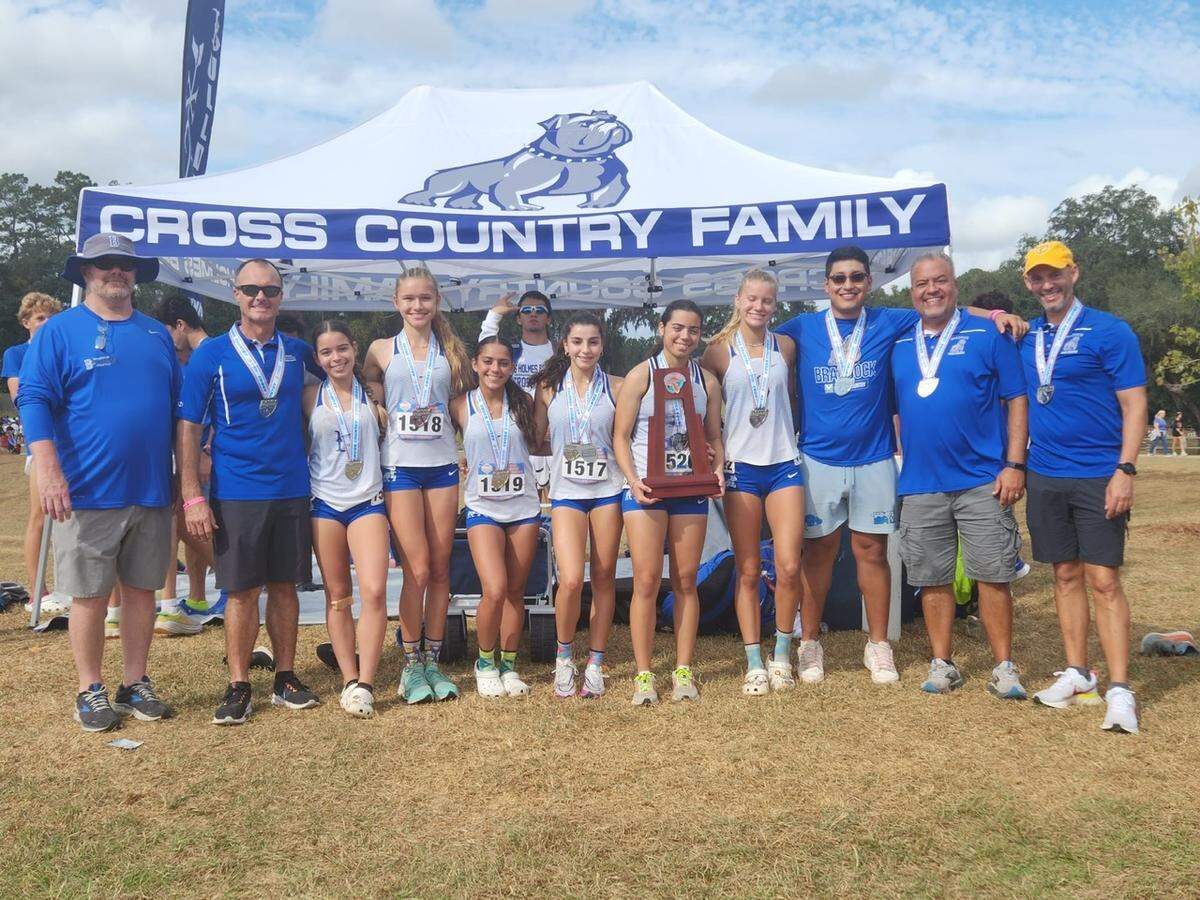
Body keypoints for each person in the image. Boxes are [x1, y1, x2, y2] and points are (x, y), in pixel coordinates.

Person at [775, 245, 1025, 686]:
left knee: (872, 553)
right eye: (839, 279)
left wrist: (995, 313)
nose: (848, 285)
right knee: (817, 554)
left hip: (874, 457)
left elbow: (942, 307)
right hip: (818, 458)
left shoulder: (894, 321)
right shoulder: (802, 327)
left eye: (856, 277)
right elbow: (754, 341)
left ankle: (879, 645)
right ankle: (810, 643)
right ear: (826, 285)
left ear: (869, 283)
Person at [19, 233, 179, 732]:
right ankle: (90, 688)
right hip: (87, 490)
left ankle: (135, 682)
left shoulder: (155, 334)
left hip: (151, 487)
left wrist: (185, 474)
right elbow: (33, 399)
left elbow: (177, 412)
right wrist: (48, 469)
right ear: (85, 272)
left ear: (136, 275)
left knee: (140, 591)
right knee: (89, 595)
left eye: (125, 265)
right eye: (105, 264)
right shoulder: (59, 331)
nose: (117, 272)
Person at [179, 258, 321, 726]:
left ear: (281, 297)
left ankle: (285, 676)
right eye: (250, 289)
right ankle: (239, 682)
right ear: (235, 295)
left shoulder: (299, 351)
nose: (261, 297)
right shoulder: (212, 353)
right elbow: (190, 425)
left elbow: (340, 390)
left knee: (285, 586)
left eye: (270, 290)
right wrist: (193, 495)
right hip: (237, 489)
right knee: (241, 590)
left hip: (292, 486)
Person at [1018, 241, 1147, 734]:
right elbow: (961, 306)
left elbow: (1135, 404)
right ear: (1028, 283)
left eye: (1054, 275)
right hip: (1045, 472)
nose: (1047, 284)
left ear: (1074, 273)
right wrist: (996, 313)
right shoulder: (1025, 335)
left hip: (1099, 473)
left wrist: (1126, 469)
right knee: (1065, 575)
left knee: (1105, 581)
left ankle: (1120, 689)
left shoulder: (1110, 331)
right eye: (1037, 278)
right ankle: (1077, 673)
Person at [891, 254, 1028, 697]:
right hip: (921, 482)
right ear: (910, 291)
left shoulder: (990, 334)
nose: (931, 290)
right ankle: (942, 662)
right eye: (922, 284)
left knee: (993, 574)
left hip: (982, 479)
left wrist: (1014, 464)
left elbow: (1017, 399)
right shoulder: (898, 339)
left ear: (955, 285)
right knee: (932, 577)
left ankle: (1004, 666)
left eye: (941, 281)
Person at [363, 268, 471, 703]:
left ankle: (433, 660)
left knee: (442, 568)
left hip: (443, 464)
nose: (417, 306)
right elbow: (368, 378)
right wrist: (376, 401)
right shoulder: (381, 348)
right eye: (409, 299)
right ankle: (410, 663)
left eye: (425, 298)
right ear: (396, 302)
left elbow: (463, 400)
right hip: (401, 469)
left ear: (437, 300)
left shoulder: (452, 351)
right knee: (418, 568)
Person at [614, 299, 724, 705]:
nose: (685, 336)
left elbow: (714, 439)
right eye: (677, 328)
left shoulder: (706, 380)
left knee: (685, 581)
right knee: (644, 581)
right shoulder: (640, 375)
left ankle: (682, 670)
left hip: (690, 490)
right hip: (647, 490)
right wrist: (633, 480)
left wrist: (718, 468)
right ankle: (644, 675)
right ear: (662, 329)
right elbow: (620, 436)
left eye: (693, 330)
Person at [700, 269, 804, 695]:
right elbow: (705, 413)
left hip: (784, 465)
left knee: (789, 564)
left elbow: (792, 399)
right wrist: (712, 454)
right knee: (746, 569)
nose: (758, 307)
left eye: (766, 301)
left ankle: (782, 654)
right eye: (752, 299)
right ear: (738, 301)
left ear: (774, 306)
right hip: (741, 469)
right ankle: (754, 661)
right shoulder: (718, 353)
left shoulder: (787, 347)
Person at [532, 313, 626, 698]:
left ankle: (596, 663)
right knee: (570, 579)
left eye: (592, 342)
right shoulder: (548, 388)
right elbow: (536, 439)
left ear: (602, 346)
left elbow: (631, 437)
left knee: (603, 578)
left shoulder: (618, 387)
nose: (585, 349)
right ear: (565, 345)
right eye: (577, 342)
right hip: (567, 491)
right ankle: (564, 658)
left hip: (608, 490)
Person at [305, 320, 390, 717]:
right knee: (338, 596)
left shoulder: (375, 393)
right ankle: (349, 678)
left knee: (373, 591)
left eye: (341, 349)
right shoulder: (308, 397)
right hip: (324, 504)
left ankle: (367, 684)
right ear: (318, 358)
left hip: (367, 501)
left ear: (354, 350)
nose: (335, 357)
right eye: (326, 352)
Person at [451, 336, 542, 698]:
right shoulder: (459, 404)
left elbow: (538, 444)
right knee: (494, 589)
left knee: (516, 592)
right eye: (488, 361)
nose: (495, 369)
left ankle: (508, 664)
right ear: (475, 364)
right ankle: (484, 662)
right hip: (482, 507)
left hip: (523, 507)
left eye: (503, 363)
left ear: (512, 367)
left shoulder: (524, 402)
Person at [150, 294, 216, 635]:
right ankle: (182, 600)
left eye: (166, 331)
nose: (165, 340)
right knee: (183, 521)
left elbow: (220, 406)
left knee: (187, 523)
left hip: (199, 453)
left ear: (180, 325)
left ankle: (226, 579)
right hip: (189, 451)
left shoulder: (210, 353)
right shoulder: (196, 355)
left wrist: (206, 449)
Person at [3, 291, 68, 617]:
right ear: (27, 322)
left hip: (74, 443)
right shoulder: (17, 354)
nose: (46, 323)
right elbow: (21, 398)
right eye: (40, 318)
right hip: (43, 447)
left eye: (51, 317)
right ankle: (37, 590)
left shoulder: (65, 349)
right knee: (40, 517)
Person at [480, 290, 555, 495]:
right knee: (520, 499)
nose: (533, 314)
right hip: (512, 434)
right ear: (518, 318)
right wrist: (494, 315)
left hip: (550, 436)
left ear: (548, 318)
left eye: (540, 310)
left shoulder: (561, 352)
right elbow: (485, 350)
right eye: (526, 310)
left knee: (554, 504)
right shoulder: (509, 350)